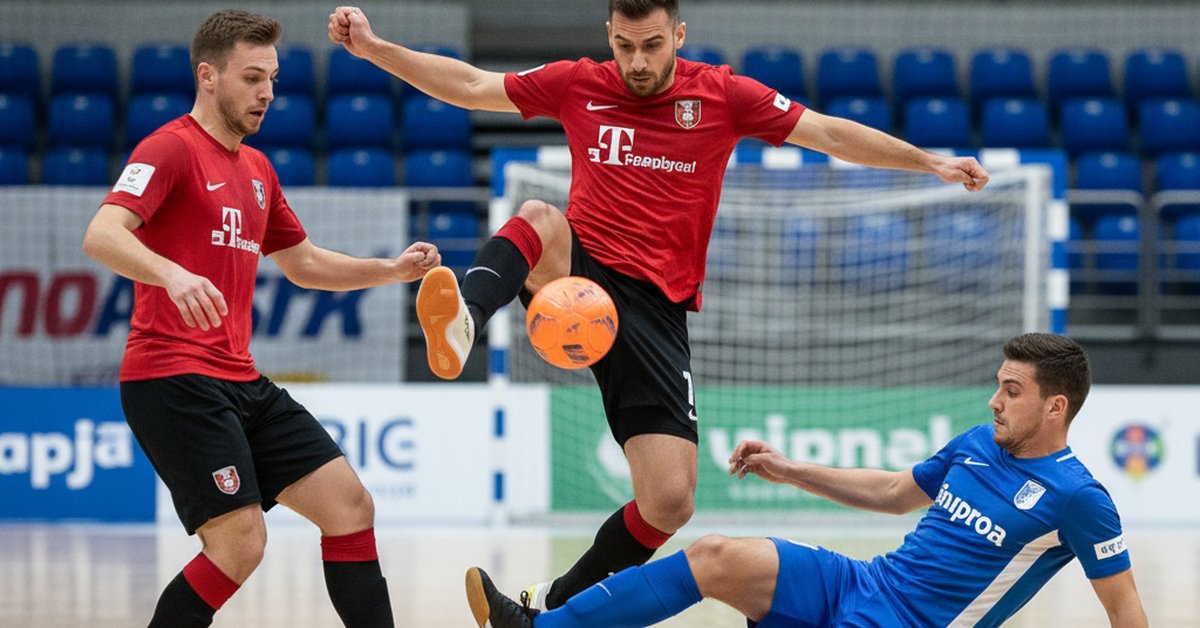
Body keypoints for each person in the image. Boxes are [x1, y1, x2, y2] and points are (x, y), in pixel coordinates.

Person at [329, 0, 991, 612]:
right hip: (581, 277)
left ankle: (549, 605)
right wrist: (376, 48)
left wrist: (929, 162)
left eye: (651, 45)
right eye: (625, 46)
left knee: (670, 502)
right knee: (539, 215)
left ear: (678, 34)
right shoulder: (579, 83)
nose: (638, 61)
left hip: (656, 309)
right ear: (609, 37)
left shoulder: (723, 95)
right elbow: (473, 85)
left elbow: (828, 133)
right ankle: (466, 320)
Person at [82, 10, 437, 628]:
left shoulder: (257, 171)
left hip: (240, 379)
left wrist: (391, 270)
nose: (267, 92)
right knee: (240, 543)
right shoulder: (169, 149)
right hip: (172, 379)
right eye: (252, 78)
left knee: (350, 506)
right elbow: (102, 233)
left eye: (271, 78)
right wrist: (170, 273)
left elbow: (304, 263)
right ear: (208, 76)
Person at [465, 333, 1149, 628]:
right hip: (864, 584)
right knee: (716, 554)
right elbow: (894, 494)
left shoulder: (1078, 498)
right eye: (998, 385)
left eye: (1012, 391)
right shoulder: (976, 444)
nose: (994, 401)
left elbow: (1123, 608)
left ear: (1055, 407)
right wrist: (790, 470)